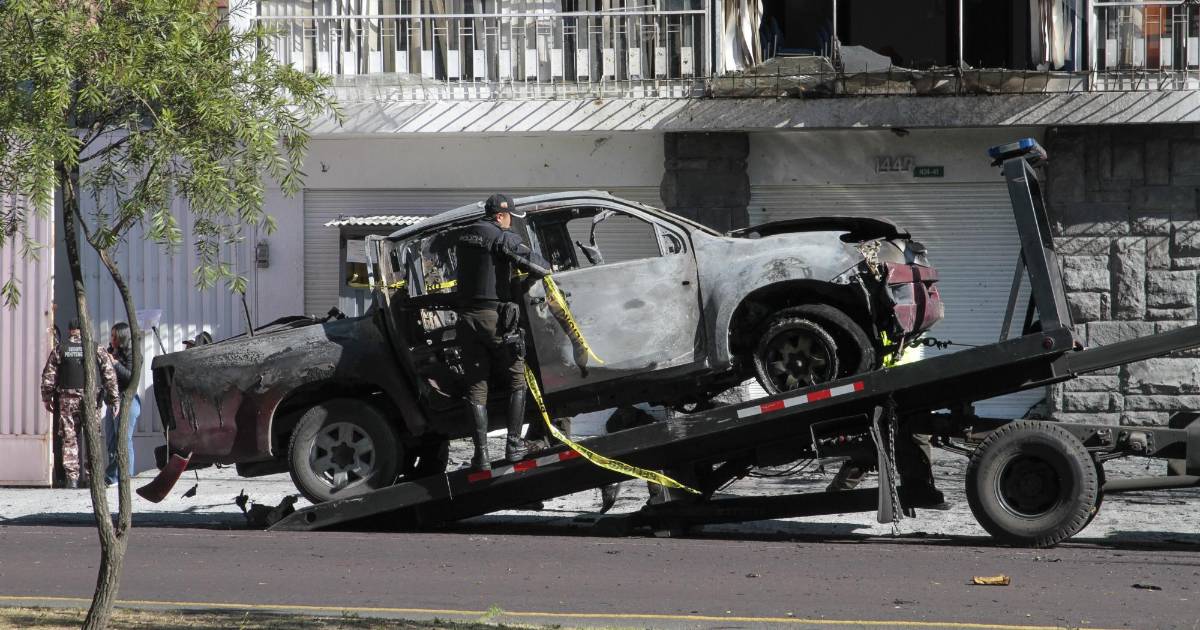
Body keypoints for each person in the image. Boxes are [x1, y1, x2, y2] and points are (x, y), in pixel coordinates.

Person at [454, 193, 551, 471]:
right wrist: (530, 278)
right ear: (500, 215)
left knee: (477, 387)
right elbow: (540, 267)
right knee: (517, 380)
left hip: (466, 321)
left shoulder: (465, 237)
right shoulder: (501, 237)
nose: (511, 222)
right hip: (493, 320)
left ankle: (481, 456)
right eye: (510, 218)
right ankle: (513, 445)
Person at [40, 318, 120, 489]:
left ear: (70, 330)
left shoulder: (60, 349)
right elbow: (109, 375)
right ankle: (92, 478)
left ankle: (72, 480)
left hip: (67, 401)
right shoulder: (96, 348)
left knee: (70, 439)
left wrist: (47, 397)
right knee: (92, 438)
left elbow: (48, 377)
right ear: (85, 329)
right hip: (91, 400)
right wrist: (115, 399)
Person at [104, 322, 140, 486]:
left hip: (127, 400)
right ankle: (113, 476)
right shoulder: (113, 352)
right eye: (111, 336)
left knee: (123, 440)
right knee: (111, 440)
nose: (111, 339)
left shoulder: (133, 354)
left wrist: (116, 363)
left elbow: (130, 377)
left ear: (122, 337)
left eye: (115, 336)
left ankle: (125, 476)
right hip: (112, 400)